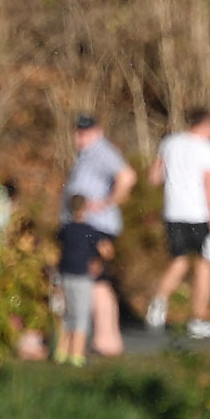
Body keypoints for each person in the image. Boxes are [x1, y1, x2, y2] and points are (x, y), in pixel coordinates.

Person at [146, 109, 210, 340]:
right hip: (199, 214)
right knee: (204, 264)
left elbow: (154, 177)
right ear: (207, 125)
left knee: (179, 261)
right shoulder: (209, 151)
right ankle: (198, 319)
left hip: (173, 212)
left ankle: (159, 300)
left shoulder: (170, 143)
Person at [64, 115, 136, 358]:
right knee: (95, 281)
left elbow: (127, 176)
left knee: (96, 280)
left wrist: (106, 202)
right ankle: (103, 338)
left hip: (97, 228)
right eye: (78, 132)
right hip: (88, 227)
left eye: (84, 132)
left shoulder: (101, 151)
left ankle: (107, 339)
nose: (79, 137)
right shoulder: (87, 154)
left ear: (97, 131)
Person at [55, 194, 112, 368]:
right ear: (85, 208)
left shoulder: (65, 229)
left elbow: (56, 248)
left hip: (65, 275)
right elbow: (107, 251)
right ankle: (77, 354)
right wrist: (99, 263)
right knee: (81, 316)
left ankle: (61, 352)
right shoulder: (90, 231)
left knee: (66, 314)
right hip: (82, 276)